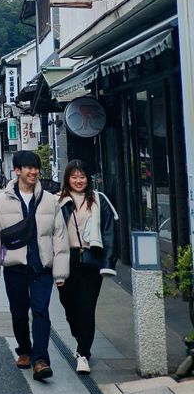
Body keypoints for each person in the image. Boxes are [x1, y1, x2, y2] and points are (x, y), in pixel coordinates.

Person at [0, 150, 69, 381]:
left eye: (36, 168)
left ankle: (40, 360)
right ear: (17, 171)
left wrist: (60, 272)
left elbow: (59, 236)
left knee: (41, 311)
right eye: (29, 168)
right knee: (19, 312)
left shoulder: (50, 200)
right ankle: (24, 349)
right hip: (15, 266)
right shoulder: (3, 200)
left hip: (42, 266)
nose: (34, 172)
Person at [57, 160, 118, 375]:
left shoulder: (99, 201)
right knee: (68, 306)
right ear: (67, 179)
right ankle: (78, 336)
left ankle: (83, 353)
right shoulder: (58, 201)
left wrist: (108, 262)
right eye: (74, 177)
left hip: (92, 260)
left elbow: (110, 232)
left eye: (82, 176)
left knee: (87, 308)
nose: (78, 180)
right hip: (67, 259)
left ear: (88, 179)